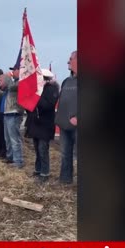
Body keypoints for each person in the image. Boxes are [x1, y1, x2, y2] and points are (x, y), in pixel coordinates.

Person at [25, 69, 60, 183]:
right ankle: (38, 169)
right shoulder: (38, 89)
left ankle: (45, 173)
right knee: (36, 147)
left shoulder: (52, 89)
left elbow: (47, 105)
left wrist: (37, 96)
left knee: (42, 148)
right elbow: (31, 106)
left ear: (45, 78)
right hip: (36, 123)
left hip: (45, 124)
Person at [55, 51, 78, 186]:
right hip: (64, 124)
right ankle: (65, 179)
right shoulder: (66, 81)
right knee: (65, 153)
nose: (68, 62)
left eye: (70, 59)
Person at [1, 63, 25, 169]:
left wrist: (7, 77)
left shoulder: (21, 82)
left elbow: (11, 87)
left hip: (14, 113)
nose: (12, 72)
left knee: (14, 138)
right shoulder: (14, 82)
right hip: (8, 112)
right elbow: (6, 90)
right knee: (8, 138)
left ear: (20, 71)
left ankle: (18, 161)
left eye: (14, 70)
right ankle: (10, 157)